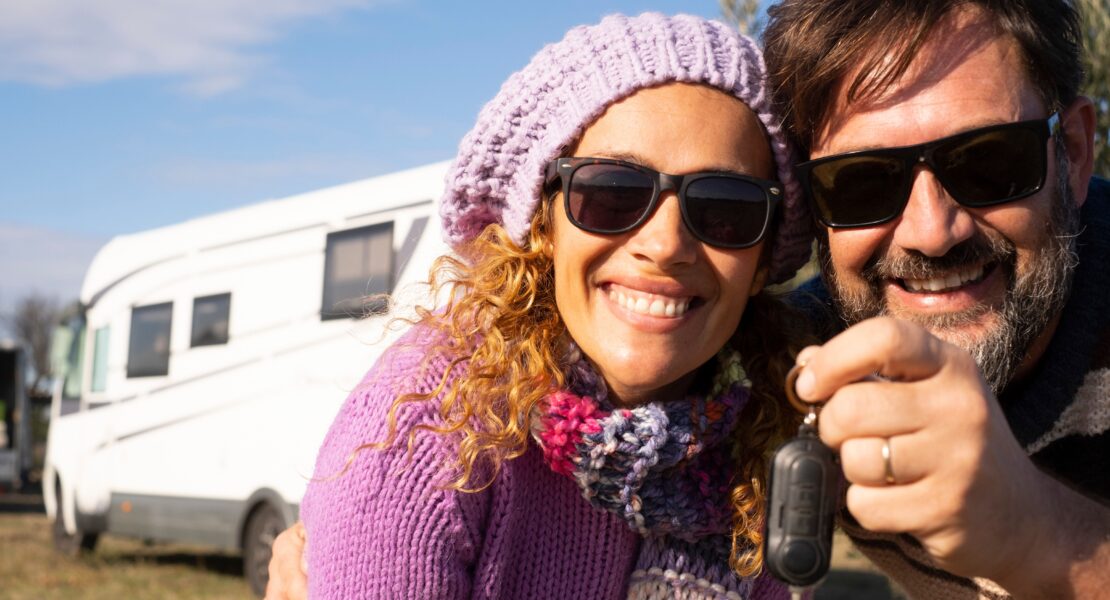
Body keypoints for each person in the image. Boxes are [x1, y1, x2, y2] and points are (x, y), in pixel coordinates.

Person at [271, 13, 817, 599]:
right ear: (544, 224)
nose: (664, 245)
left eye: (724, 209)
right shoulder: (428, 426)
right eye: (612, 193)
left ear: (761, 262)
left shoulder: (756, 458)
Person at [762, 0, 1110, 597]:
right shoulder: (790, 362)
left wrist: (1043, 538)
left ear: (1073, 153)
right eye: (861, 181)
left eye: (990, 161)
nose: (932, 232)